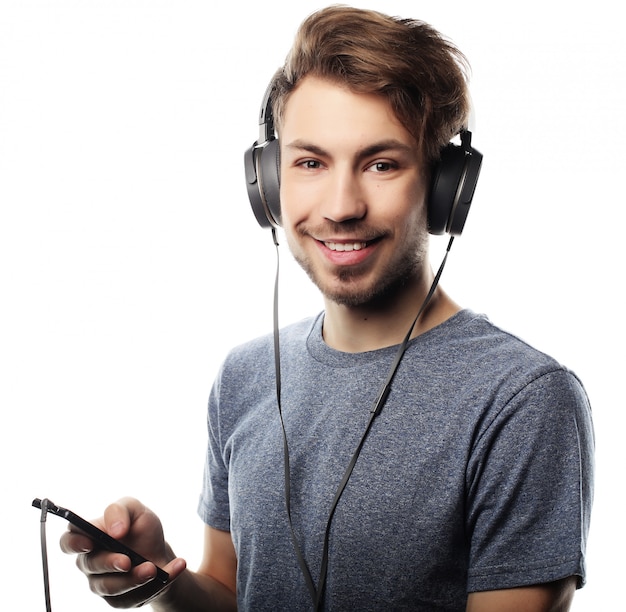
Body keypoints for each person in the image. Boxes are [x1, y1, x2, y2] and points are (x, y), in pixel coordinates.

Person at [60, 5, 594, 611]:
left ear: (446, 189)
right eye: (310, 162)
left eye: (381, 164)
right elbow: (233, 595)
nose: (341, 206)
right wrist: (162, 578)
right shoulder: (245, 376)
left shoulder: (524, 399)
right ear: (267, 181)